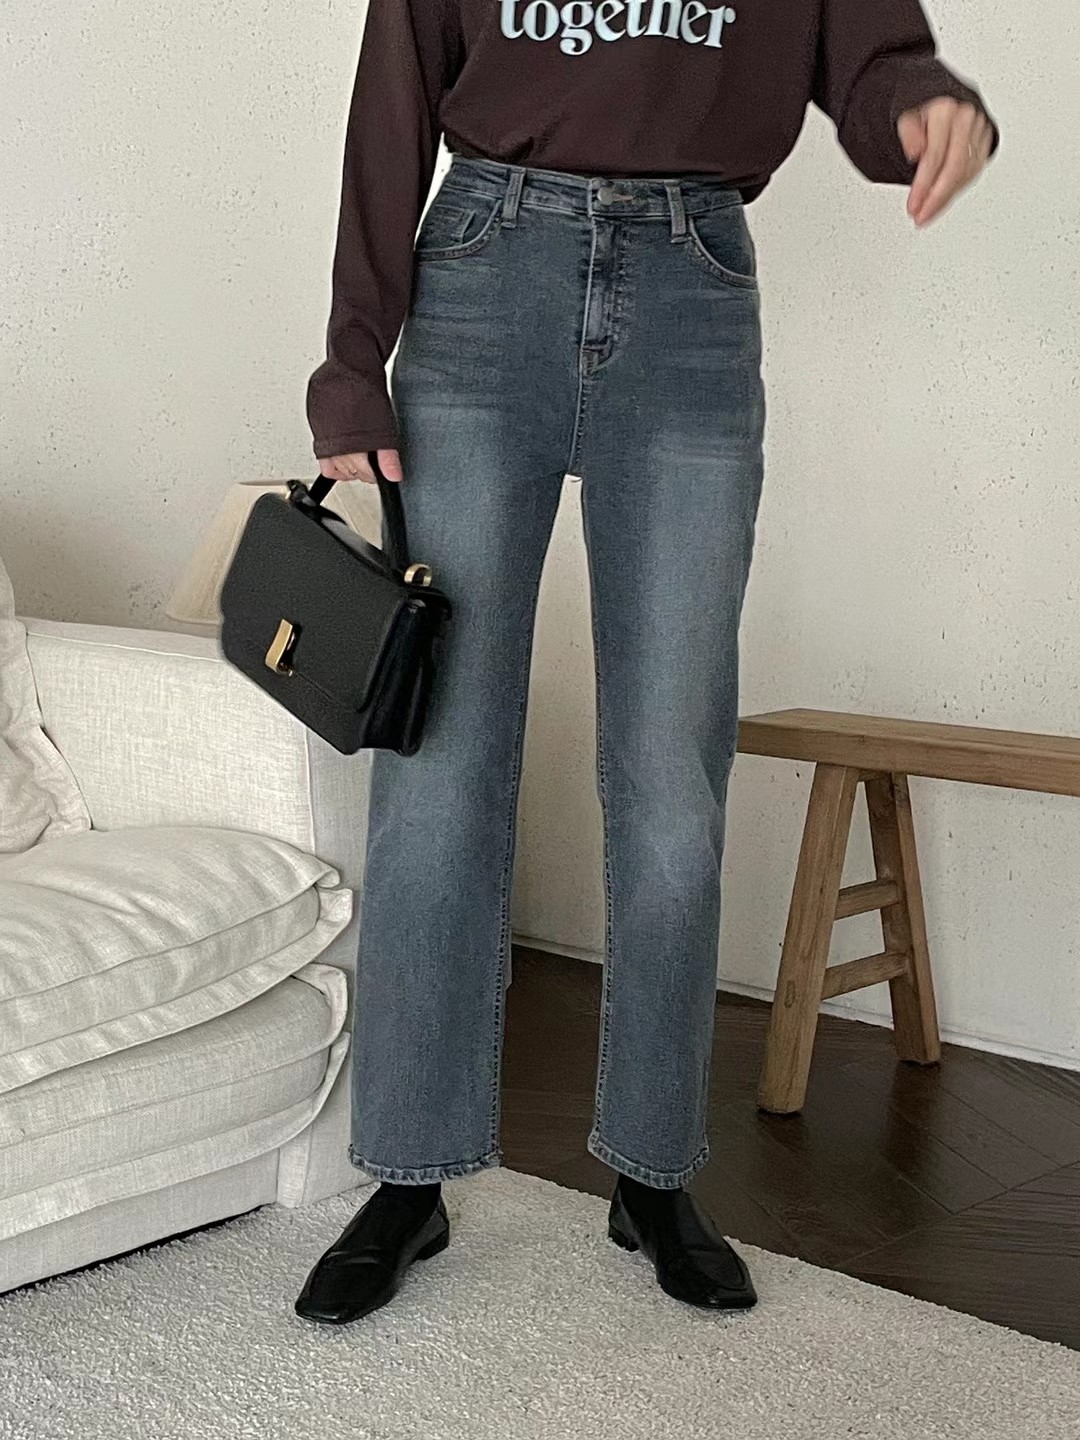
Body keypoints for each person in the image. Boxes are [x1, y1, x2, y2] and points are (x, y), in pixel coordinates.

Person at [294, 0, 998, 1325]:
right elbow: (394, 94)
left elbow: (872, 57)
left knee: (673, 775)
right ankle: (408, 1174)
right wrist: (351, 362)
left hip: (691, 286)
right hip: (485, 273)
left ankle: (654, 1172)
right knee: (440, 766)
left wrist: (922, 104)